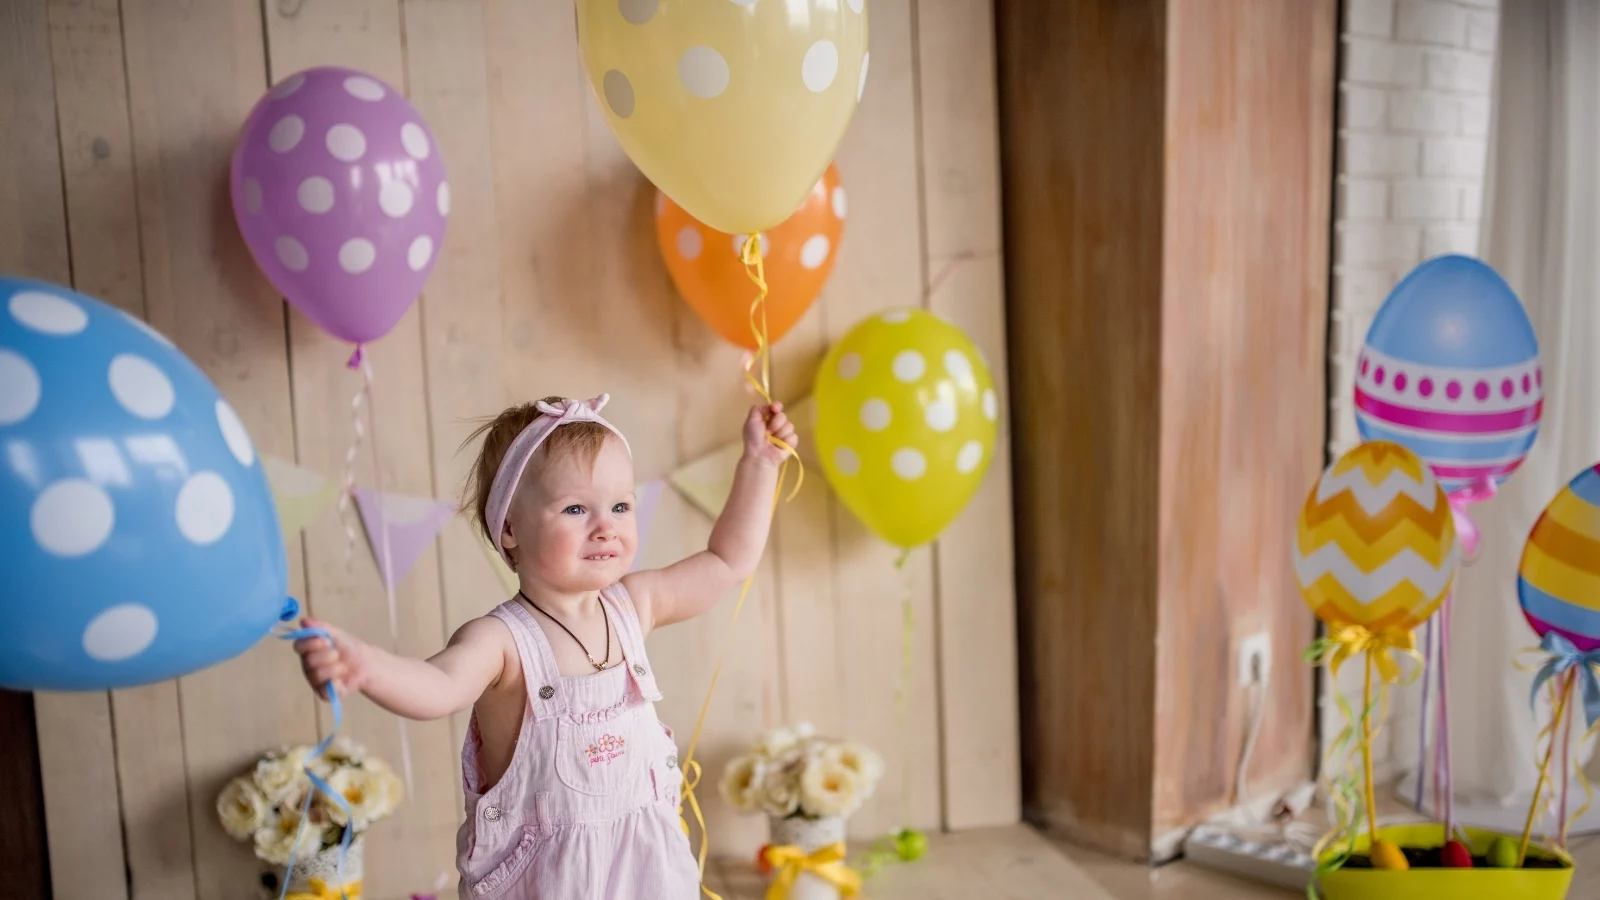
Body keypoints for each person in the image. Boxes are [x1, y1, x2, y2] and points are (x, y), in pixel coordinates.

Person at [293, 393, 796, 899]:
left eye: (620, 506)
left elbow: (727, 562)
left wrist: (759, 463)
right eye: (576, 508)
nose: (606, 527)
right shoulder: (502, 641)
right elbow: (439, 686)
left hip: (650, 878)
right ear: (509, 529)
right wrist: (368, 665)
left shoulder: (633, 605)